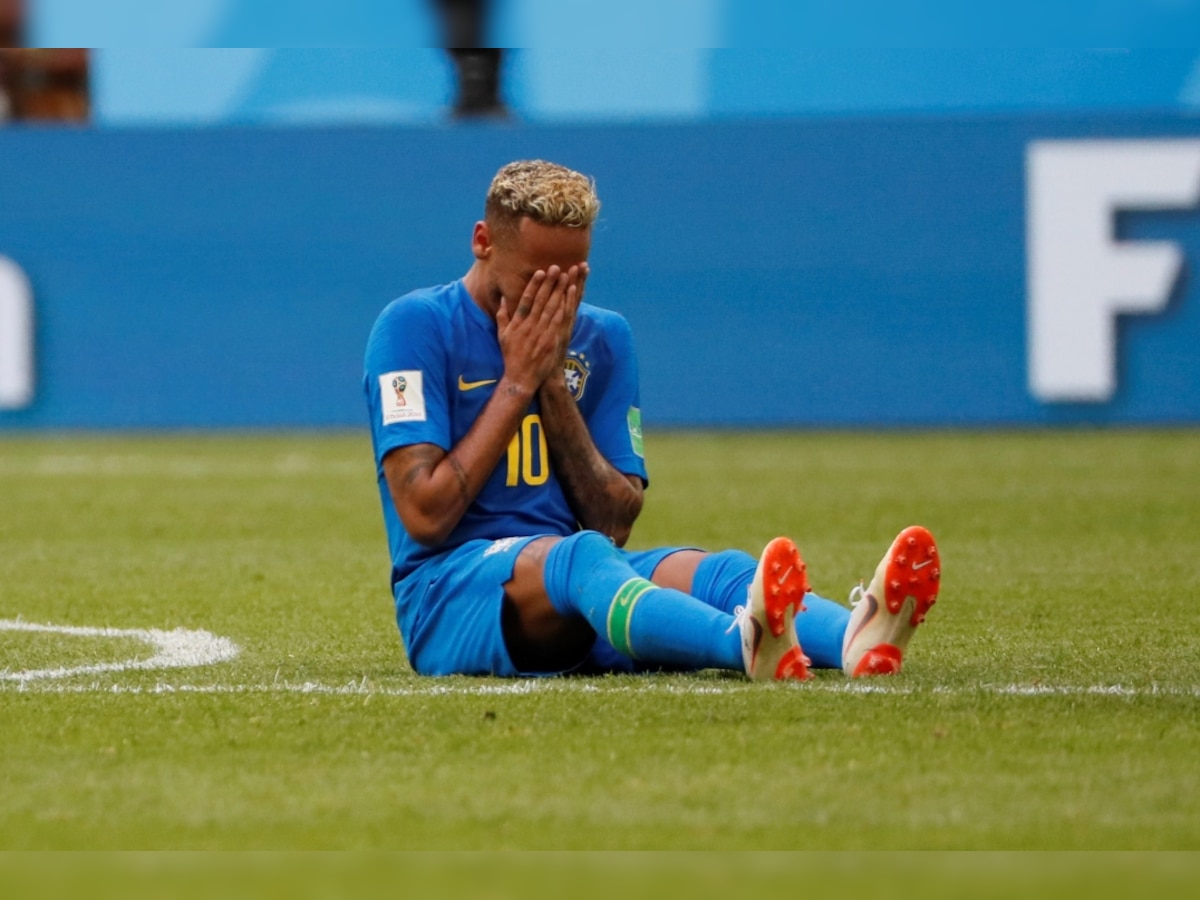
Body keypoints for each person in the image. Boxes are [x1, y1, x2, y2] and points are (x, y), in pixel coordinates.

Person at [363, 159, 941, 680]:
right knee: (581, 557)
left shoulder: (602, 337)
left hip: (585, 585)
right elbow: (426, 515)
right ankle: (743, 641)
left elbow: (613, 522)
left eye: (575, 279)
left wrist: (550, 381)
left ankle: (855, 639)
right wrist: (517, 381)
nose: (558, 300)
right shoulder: (414, 327)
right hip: (449, 596)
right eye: (539, 281)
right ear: (483, 242)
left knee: (718, 572)